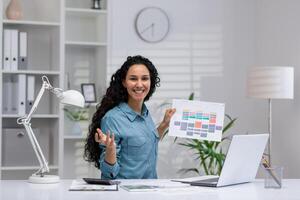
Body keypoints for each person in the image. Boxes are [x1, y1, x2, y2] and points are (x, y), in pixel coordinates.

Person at [84, 55, 176, 179]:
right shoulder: (113, 119)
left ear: (151, 82)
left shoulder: (144, 112)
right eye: (133, 79)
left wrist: (164, 124)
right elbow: (109, 173)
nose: (139, 84)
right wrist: (111, 149)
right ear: (124, 82)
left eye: (144, 78)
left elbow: (148, 142)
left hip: (150, 190)